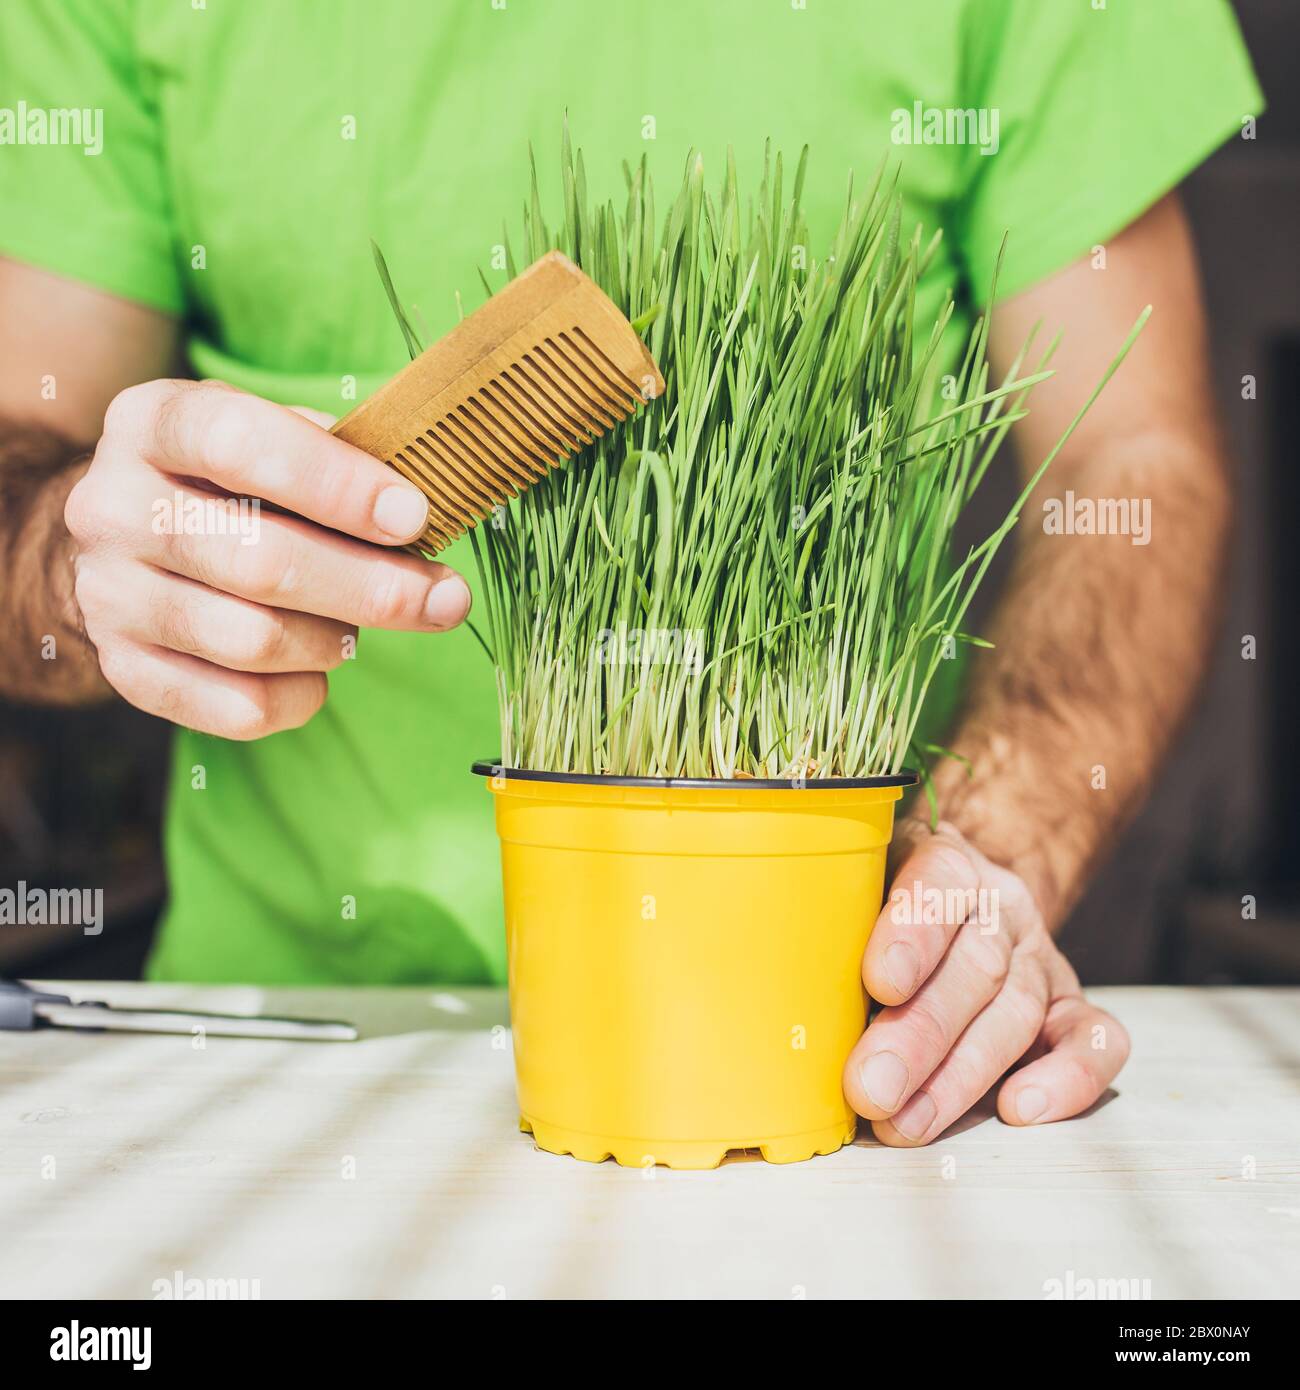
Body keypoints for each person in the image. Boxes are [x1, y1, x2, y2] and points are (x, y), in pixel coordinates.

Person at [0, 0, 1261, 1146]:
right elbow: (22, 463)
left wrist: (991, 856)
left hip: (834, 1041)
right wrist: (71, 556)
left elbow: (1130, 458)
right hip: (289, 1047)